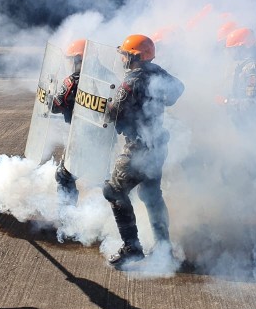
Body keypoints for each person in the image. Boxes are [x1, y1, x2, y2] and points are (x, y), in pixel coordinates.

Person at [102, 35, 184, 268]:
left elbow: (114, 112)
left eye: (125, 54)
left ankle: (132, 248)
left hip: (138, 148)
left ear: (135, 57)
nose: (122, 58)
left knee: (113, 191)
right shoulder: (157, 72)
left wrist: (104, 106)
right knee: (151, 195)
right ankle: (164, 248)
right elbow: (179, 88)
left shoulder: (132, 80)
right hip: (157, 146)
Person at [50, 39, 85, 207]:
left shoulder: (72, 81)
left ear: (79, 59)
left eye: (72, 59)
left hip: (79, 139)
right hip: (105, 139)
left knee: (64, 176)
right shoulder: (107, 77)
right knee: (106, 179)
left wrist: (48, 97)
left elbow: (57, 106)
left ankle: (68, 223)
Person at [219, 28, 256, 126]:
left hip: (255, 125)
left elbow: (253, 104)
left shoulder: (254, 67)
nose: (231, 53)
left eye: (233, 49)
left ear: (243, 47)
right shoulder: (254, 61)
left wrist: (226, 102)